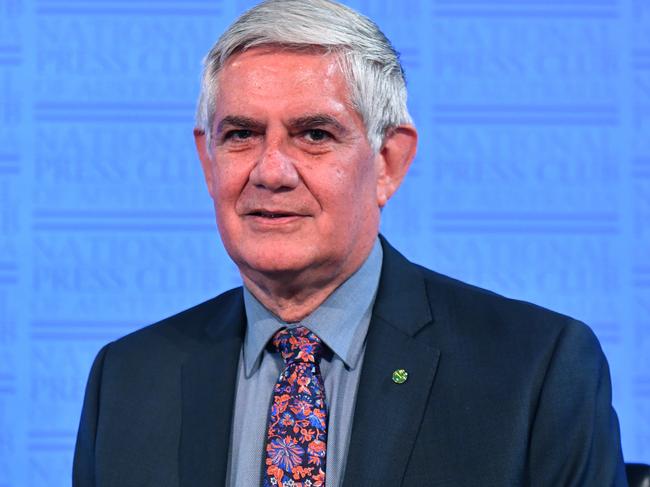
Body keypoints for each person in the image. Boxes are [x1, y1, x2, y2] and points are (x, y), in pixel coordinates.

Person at [72, 0, 628, 485]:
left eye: (315, 135)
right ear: (207, 158)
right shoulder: (127, 380)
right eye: (241, 135)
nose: (271, 172)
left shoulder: (534, 369)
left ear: (388, 162)